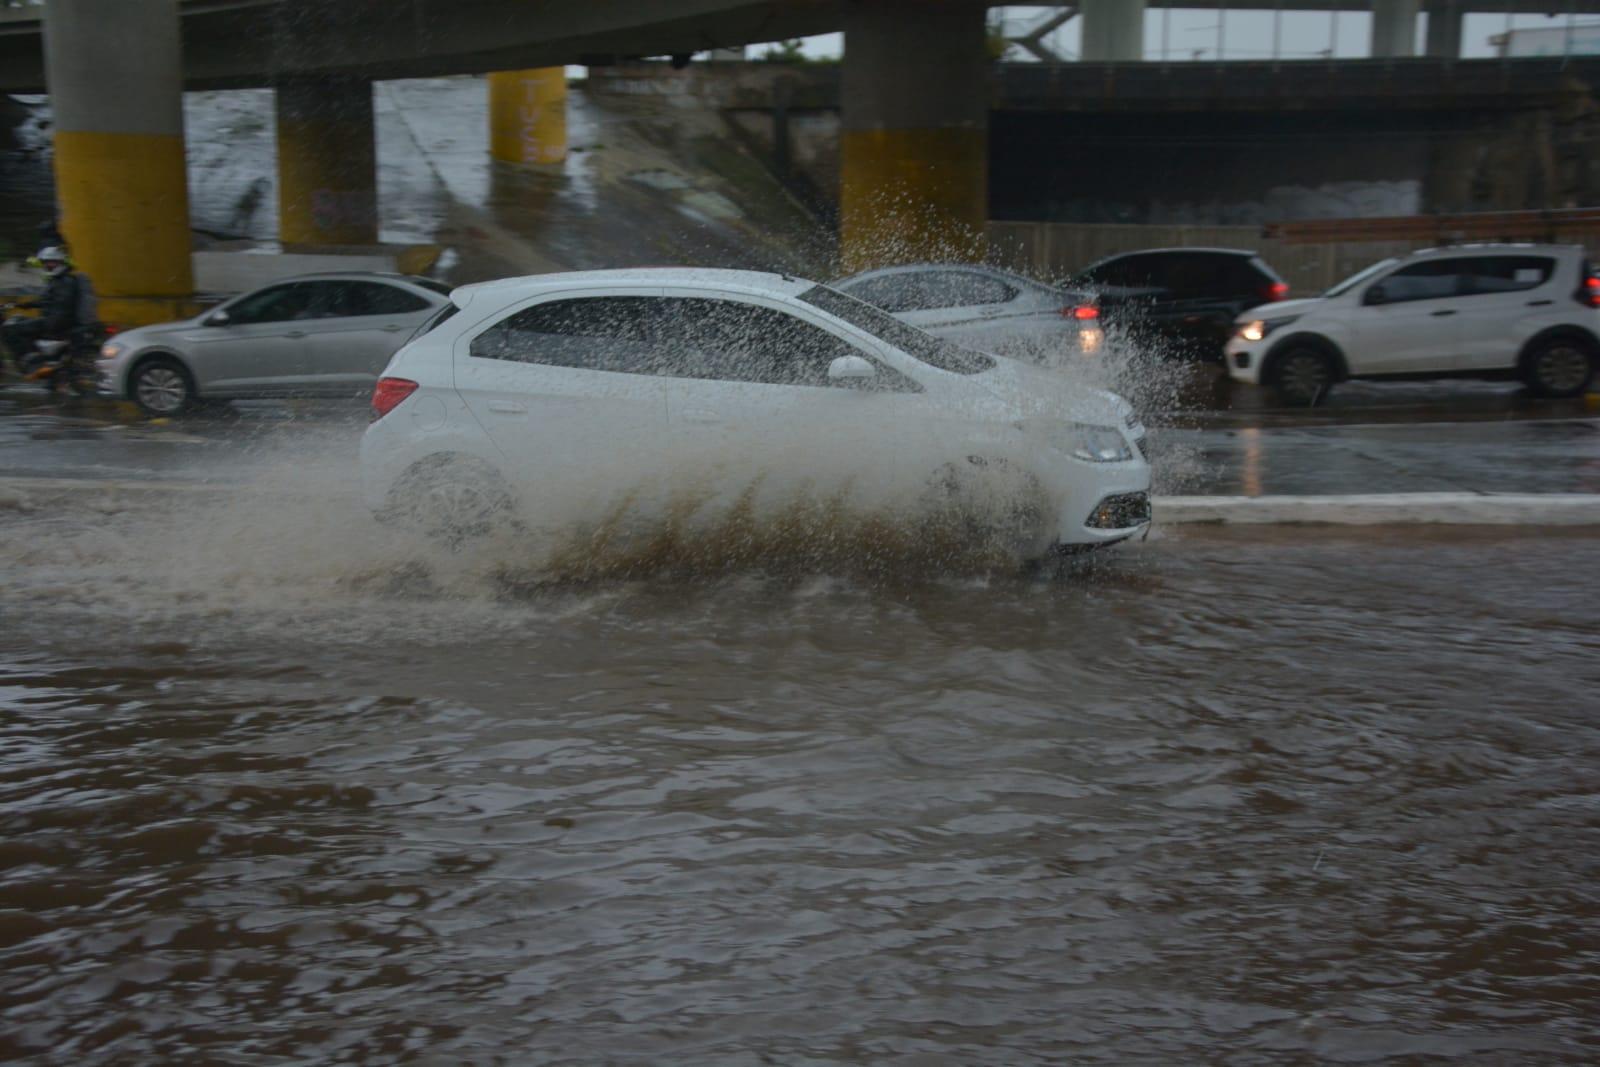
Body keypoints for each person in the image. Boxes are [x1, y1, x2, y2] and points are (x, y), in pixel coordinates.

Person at [3, 246, 97, 383]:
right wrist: (22, 305)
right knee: (21, 323)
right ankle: (43, 364)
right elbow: (46, 301)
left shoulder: (65, 281)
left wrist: (49, 323)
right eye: (46, 263)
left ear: (61, 262)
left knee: (11, 329)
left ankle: (34, 362)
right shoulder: (57, 281)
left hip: (56, 322)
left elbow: (61, 306)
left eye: (52, 262)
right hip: (54, 320)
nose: (48, 266)